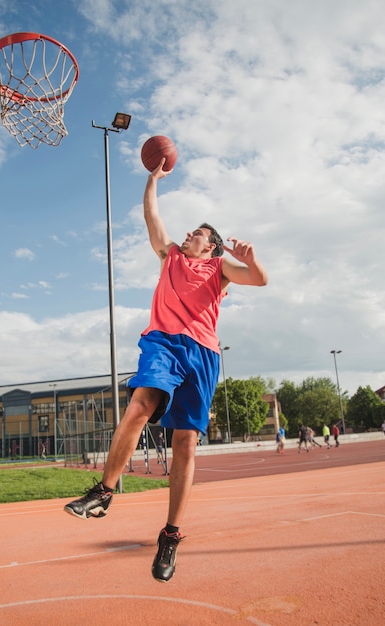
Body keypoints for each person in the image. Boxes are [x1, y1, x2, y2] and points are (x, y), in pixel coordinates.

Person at [64, 159, 268, 582]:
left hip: (203, 355)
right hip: (162, 342)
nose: (190, 234)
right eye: (191, 231)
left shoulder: (220, 269)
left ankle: (171, 535)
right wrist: (152, 180)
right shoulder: (170, 255)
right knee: (140, 405)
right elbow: (151, 216)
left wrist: (252, 258)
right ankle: (103, 492)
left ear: (211, 246)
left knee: (185, 444)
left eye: (199, 233)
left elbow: (260, 280)